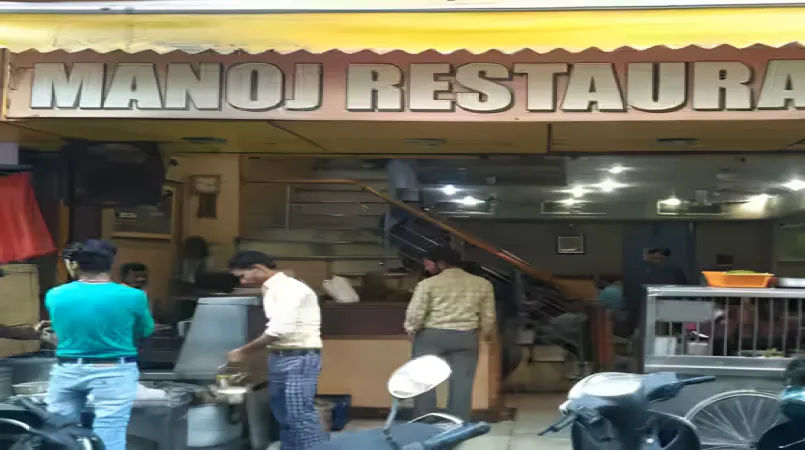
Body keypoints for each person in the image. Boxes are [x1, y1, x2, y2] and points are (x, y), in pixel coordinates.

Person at [44, 239, 155, 450]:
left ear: (75, 264)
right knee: (109, 432)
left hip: (68, 369)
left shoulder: (55, 295)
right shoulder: (134, 296)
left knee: (60, 432)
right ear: (111, 263)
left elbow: (62, 330)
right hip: (114, 370)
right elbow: (145, 330)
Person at [226, 250, 325, 450]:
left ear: (257, 268)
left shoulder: (288, 288)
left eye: (243, 276)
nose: (243, 282)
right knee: (284, 416)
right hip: (280, 356)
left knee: (299, 416)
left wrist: (242, 352)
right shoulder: (272, 289)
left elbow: (279, 330)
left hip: (299, 357)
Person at [404, 247, 496, 420]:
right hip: (466, 336)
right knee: (462, 381)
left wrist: (411, 328)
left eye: (428, 264)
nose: (426, 268)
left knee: (424, 378)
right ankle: (458, 420)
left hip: (431, 336)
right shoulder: (482, 284)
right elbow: (488, 315)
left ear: (441, 263)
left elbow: (416, 312)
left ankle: (425, 417)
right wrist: (487, 333)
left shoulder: (427, 284)